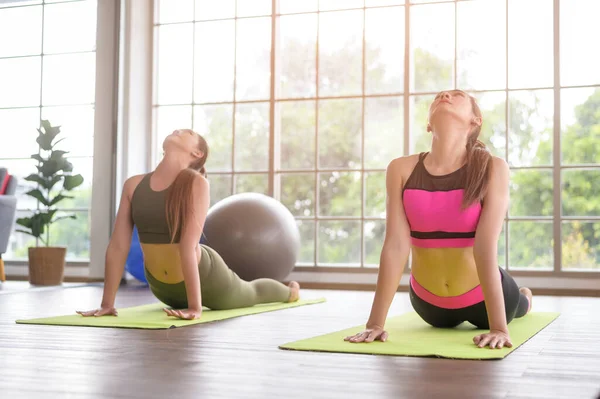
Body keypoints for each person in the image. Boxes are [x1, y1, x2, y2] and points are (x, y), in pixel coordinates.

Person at [345, 90, 532, 349]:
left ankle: (526, 297)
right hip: (429, 305)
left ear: (475, 120)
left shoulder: (493, 167)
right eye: (439, 96)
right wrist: (375, 323)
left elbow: (484, 247)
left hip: (483, 300)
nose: (445, 95)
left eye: (457, 95)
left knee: (519, 306)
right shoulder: (401, 169)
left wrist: (499, 327)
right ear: (429, 124)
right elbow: (396, 246)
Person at [77, 129, 300, 320]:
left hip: (207, 277)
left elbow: (188, 246)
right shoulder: (133, 185)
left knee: (250, 293)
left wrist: (195, 308)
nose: (178, 130)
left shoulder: (196, 183)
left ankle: (290, 292)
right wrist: (107, 304)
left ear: (197, 153)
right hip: (163, 289)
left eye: (188, 132)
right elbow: (118, 246)